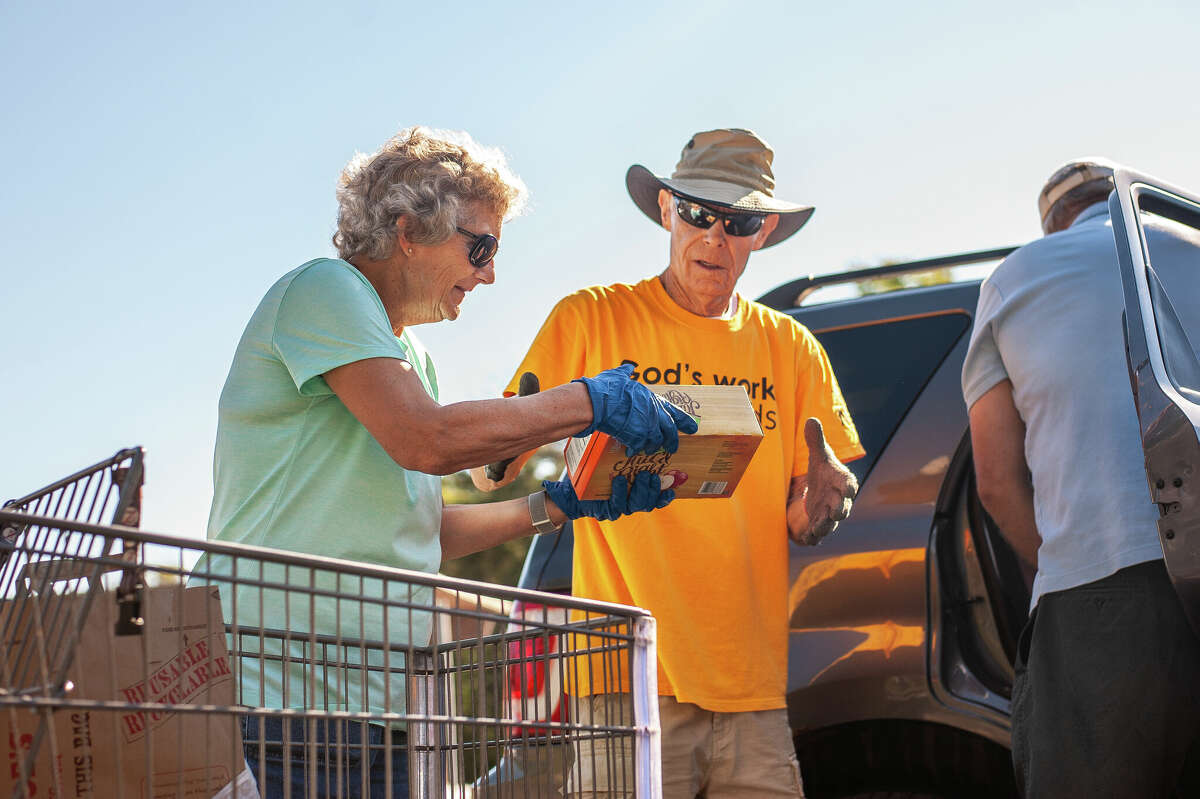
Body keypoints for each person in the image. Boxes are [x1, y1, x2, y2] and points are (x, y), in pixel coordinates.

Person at [201, 126, 696, 798]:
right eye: (480, 245)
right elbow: (425, 439)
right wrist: (585, 401)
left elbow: (422, 530)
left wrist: (556, 503)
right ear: (408, 230)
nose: (490, 271)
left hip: (384, 703)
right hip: (281, 693)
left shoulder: (415, 360)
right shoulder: (326, 290)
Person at [475, 128, 864, 798]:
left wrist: (827, 505)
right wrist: (521, 435)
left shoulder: (793, 349)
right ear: (665, 210)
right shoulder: (592, 320)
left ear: (763, 231)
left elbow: (802, 519)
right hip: (624, 686)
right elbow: (488, 470)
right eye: (697, 213)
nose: (714, 236)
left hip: (754, 692)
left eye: (737, 221)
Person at [963, 158, 1200, 798]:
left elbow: (994, 481)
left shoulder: (1019, 277)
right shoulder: (1195, 244)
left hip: (1104, 590)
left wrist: (1059, 564)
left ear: (1054, 225)